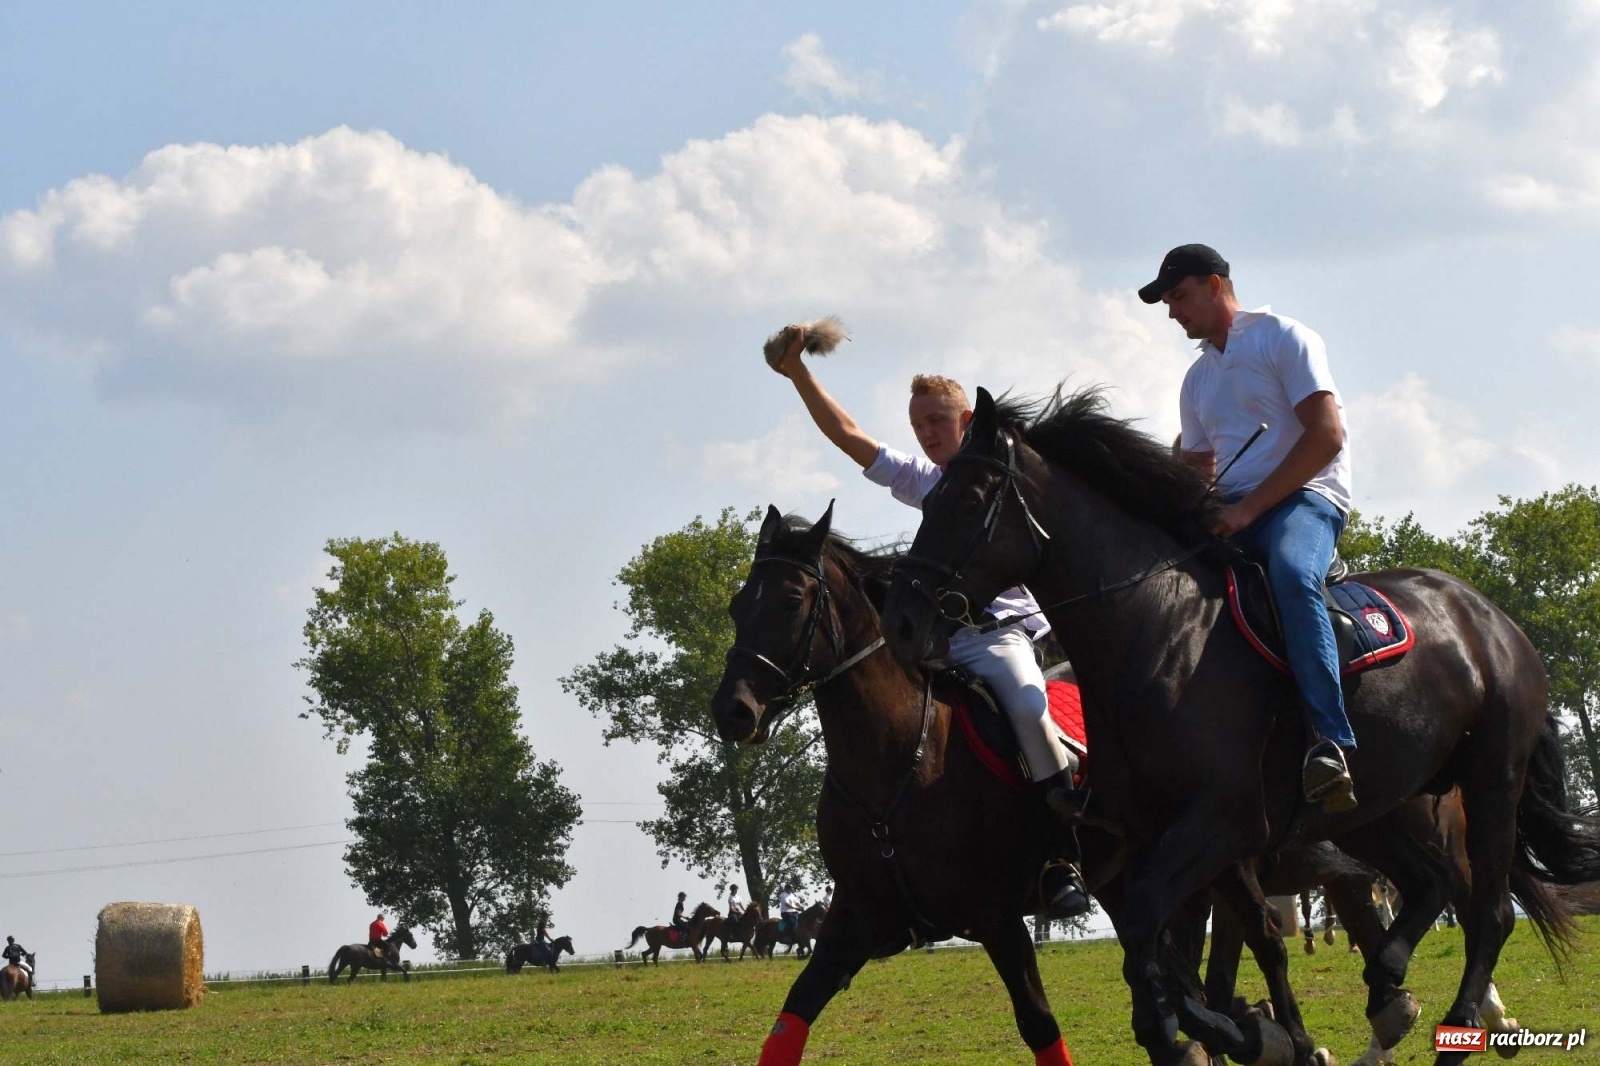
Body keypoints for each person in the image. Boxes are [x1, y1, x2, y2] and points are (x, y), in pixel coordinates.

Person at [775, 328, 1090, 920]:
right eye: (918, 425)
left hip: (1000, 635)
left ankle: (1063, 856)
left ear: (966, 419)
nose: (926, 433)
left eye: (936, 421)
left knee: (1026, 707)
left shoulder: (1005, 479)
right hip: (933, 642)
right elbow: (851, 438)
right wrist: (798, 374)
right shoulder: (926, 483)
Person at [1140, 243, 1358, 811]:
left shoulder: (1284, 337)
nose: (1171, 313)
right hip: (1234, 513)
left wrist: (1248, 509)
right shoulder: (1195, 380)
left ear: (1215, 285)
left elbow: (1326, 437)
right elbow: (1196, 468)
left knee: (1290, 573)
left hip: (1306, 500)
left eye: (1178, 297)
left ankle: (1330, 741)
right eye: (1166, 302)